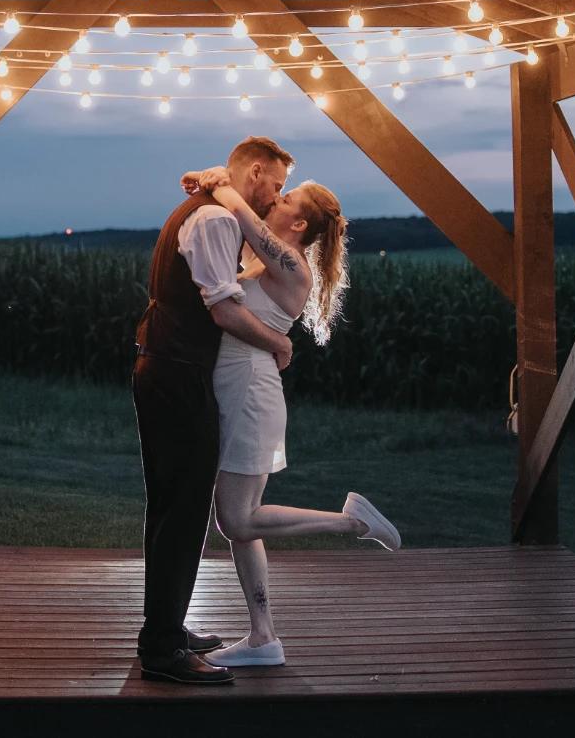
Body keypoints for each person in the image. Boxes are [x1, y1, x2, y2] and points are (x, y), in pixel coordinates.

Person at [177, 163, 401, 669]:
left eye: (285, 197)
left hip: (251, 393)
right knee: (238, 519)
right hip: (237, 390)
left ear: (298, 225)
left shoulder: (291, 265)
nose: (274, 200)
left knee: (236, 517)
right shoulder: (264, 261)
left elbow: (240, 209)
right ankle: (263, 637)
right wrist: (214, 181)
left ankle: (351, 523)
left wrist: (222, 182)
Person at [131, 136, 297, 685]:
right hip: (178, 373)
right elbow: (224, 310)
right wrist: (277, 344)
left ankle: (167, 627)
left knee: (174, 505)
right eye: (275, 183)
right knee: (182, 510)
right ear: (254, 172)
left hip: (170, 369)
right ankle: (161, 650)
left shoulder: (209, 209)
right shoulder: (216, 222)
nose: (278, 195)